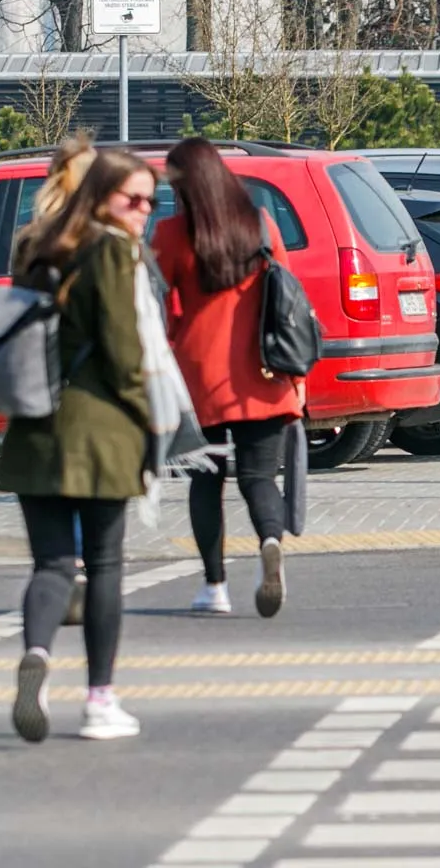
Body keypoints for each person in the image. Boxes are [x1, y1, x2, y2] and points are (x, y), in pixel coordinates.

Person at [0, 148, 159, 743]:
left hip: (33, 428)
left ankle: (37, 655)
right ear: (101, 195)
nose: (143, 210)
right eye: (132, 198)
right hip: (99, 431)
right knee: (107, 565)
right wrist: (151, 424)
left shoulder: (37, 246)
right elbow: (124, 351)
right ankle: (99, 701)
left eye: (150, 200)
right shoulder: (112, 250)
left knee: (53, 564)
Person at [153, 137, 302, 619]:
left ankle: (214, 587)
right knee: (260, 479)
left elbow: (155, 301)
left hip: (199, 380)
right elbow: (287, 298)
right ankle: (270, 542)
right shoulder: (262, 226)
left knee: (205, 482)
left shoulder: (173, 234)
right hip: (263, 373)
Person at [16, 137, 98, 628]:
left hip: (35, 381)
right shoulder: (102, 242)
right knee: (92, 487)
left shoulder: (29, 241)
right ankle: (86, 571)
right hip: (87, 383)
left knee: (51, 490)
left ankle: (56, 580)